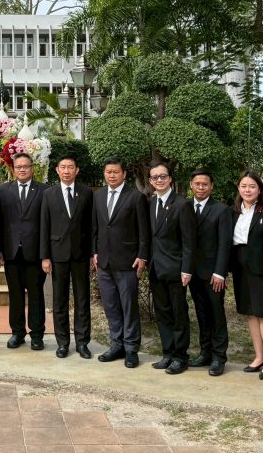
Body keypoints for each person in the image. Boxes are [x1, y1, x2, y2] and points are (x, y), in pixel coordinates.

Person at [92, 157, 149, 369]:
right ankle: (117, 345)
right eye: (108, 172)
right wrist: (94, 252)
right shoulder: (98, 196)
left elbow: (144, 231)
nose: (112, 175)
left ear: (124, 174)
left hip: (128, 262)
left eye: (116, 172)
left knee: (128, 307)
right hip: (104, 262)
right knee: (111, 306)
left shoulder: (135, 197)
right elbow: (95, 228)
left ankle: (131, 348)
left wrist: (142, 256)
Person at [40, 155, 93, 359]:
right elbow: (44, 225)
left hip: (80, 254)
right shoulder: (49, 194)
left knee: (82, 299)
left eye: (70, 167)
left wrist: (92, 254)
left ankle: (82, 342)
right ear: (57, 170)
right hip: (57, 254)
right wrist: (45, 256)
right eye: (63, 167)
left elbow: (91, 226)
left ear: (77, 170)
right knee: (59, 300)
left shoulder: (86, 192)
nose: (67, 171)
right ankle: (62, 343)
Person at [230, 171, 263, 380]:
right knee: (250, 313)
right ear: (238, 189)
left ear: (259, 190)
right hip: (241, 270)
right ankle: (259, 356)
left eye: (252, 186)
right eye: (243, 186)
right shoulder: (234, 211)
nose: (247, 190)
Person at [146, 162, 196, 375]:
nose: (159, 180)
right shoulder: (150, 203)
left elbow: (189, 241)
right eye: (155, 177)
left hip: (176, 269)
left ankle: (180, 356)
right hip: (156, 268)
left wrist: (187, 269)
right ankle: (167, 353)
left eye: (162, 176)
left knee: (178, 314)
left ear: (170, 179)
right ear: (150, 181)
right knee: (163, 313)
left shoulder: (182, 204)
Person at [0, 152, 47, 351]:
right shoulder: (3, 190)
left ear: (32, 168)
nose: (22, 170)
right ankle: (17, 333)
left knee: (36, 295)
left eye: (26, 166)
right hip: (12, 253)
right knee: (15, 295)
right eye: (19, 167)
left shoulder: (44, 190)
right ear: (13, 169)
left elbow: (46, 224)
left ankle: (37, 335)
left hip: (35, 253)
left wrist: (45, 254)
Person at [185, 169, 232, 377]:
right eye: (197, 184)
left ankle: (219, 356)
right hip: (193, 272)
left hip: (213, 274)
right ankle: (205, 352)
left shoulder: (221, 210)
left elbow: (225, 243)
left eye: (205, 184)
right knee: (201, 314)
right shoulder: (186, 207)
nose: (201, 187)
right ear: (191, 185)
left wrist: (220, 272)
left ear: (211, 186)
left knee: (216, 314)